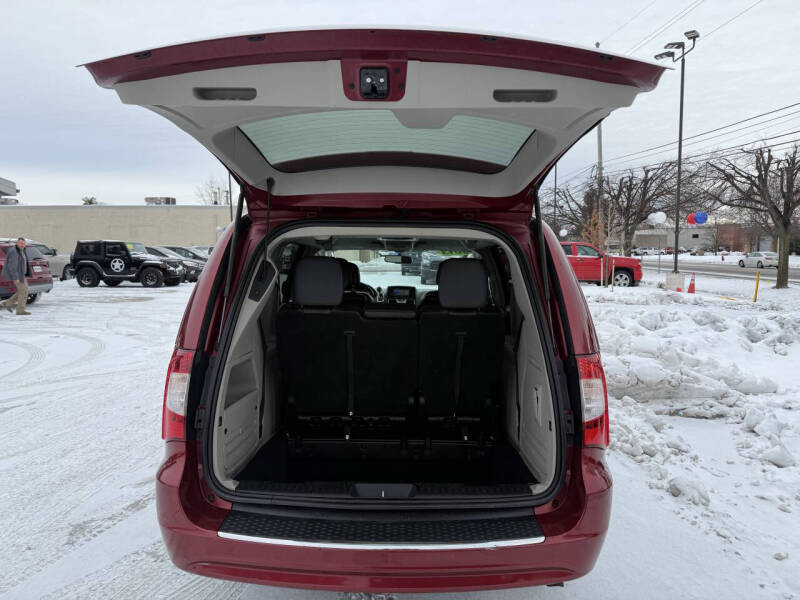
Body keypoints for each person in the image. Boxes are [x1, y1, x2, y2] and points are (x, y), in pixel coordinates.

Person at [1, 237, 32, 316]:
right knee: (23, 291)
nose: (22, 245)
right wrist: (16, 278)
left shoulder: (21, 250)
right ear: (17, 243)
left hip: (21, 274)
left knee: (24, 291)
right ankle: (20, 310)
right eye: (21, 243)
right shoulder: (14, 252)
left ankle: (7, 303)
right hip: (17, 275)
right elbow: (12, 266)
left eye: (24, 244)